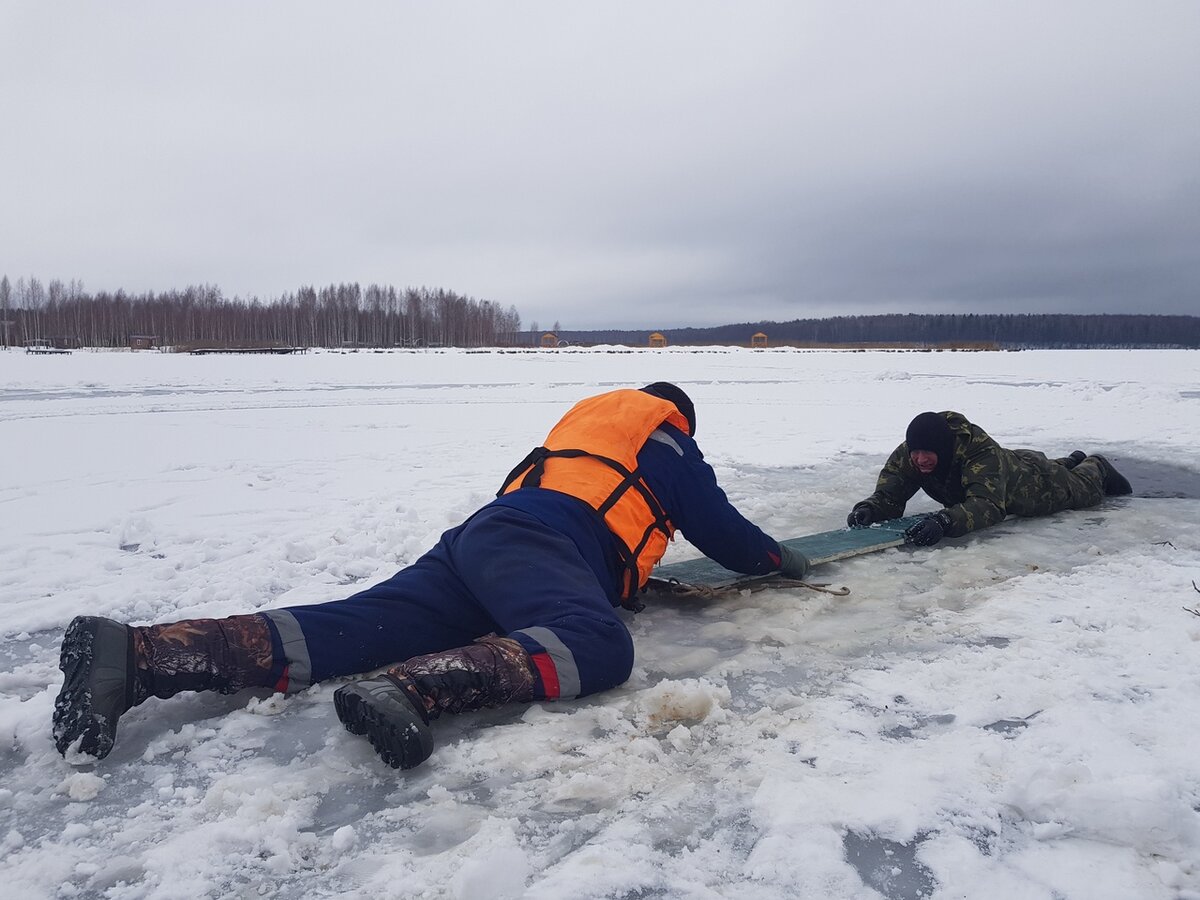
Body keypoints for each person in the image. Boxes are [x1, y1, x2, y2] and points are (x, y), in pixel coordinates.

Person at [53, 383, 810, 769]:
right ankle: (417, 687)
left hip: (483, 542)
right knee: (597, 642)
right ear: (679, 415)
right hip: (545, 544)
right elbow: (724, 532)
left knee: (349, 627)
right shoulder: (666, 438)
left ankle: (141, 654)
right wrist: (782, 561)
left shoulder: (583, 431)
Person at [846, 410, 1133, 546]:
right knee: (1041, 464)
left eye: (928, 453)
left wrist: (945, 521)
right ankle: (1069, 460)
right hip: (1009, 463)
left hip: (1033, 484)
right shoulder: (910, 454)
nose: (920, 459)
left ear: (944, 449)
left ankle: (1094, 464)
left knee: (1083, 490)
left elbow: (989, 505)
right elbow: (890, 493)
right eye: (915, 452)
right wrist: (870, 508)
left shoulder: (979, 452)